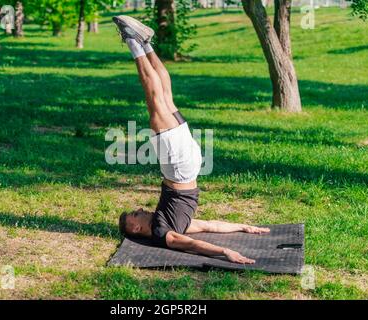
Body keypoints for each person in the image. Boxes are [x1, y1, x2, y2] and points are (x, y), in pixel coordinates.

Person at [113, 16, 270, 264]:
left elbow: (210, 225)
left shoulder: (174, 222)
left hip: (188, 166)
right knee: (155, 100)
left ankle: (146, 43)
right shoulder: (163, 233)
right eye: (135, 214)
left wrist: (243, 226)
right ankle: (135, 40)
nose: (140, 209)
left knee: (165, 97)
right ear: (134, 229)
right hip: (178, 167)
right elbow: (193, 245)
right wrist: (225, 252)